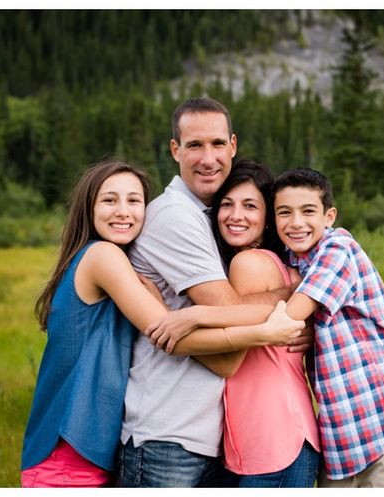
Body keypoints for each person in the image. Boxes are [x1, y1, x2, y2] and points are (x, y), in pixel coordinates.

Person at [20, 158, 304, 487]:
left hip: (90, 448)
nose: (123, 211)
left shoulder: (116, 260)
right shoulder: (103, 257)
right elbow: (170, 335)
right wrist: (264, 331)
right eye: (110, 200)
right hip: (68, 453)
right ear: (88, 206)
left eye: (134, 201)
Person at [120, 97, 309, 488]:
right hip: (167, 434)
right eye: (194, 145)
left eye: (217, 144)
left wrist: (294, 305)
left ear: (233, 145)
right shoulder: (176, 217)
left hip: (207, 437)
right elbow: (229, 328)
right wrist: (294, 296)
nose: (208, 158)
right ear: (175, 150)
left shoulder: (210, 221)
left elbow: (231, 313)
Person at [272, 167, 384, 487]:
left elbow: (291, 315)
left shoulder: (338, 247)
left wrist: (201, 316)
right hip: (339, 441)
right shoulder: (292, 262)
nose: (296, 222)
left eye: (308, 211)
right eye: (284, 212)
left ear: (329, 216)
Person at [210, 159, 321, 487]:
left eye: (250, 206)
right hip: (289, 433)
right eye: (227, 204)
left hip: (271, 439)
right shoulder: (286, 268)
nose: (236, 216)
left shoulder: (248, 263)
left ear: (268, 218)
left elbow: (230, 350)